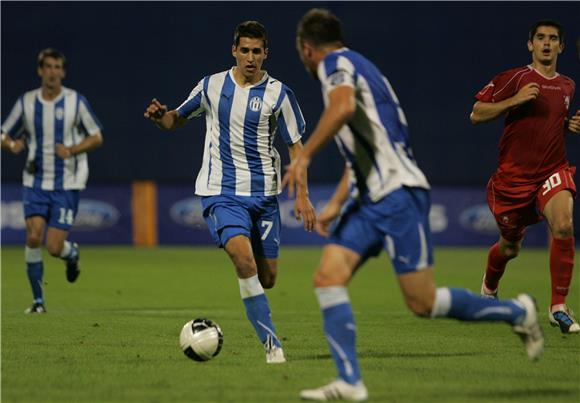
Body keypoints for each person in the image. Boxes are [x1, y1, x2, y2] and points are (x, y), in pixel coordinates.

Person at [286, 9, 544, 401]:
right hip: (371, 198)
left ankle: (518, 312)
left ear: (307, 49)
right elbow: (364, 149)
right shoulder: (361, 66)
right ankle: (350, 382)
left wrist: (303, 157)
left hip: (399, 195)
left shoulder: (335, 65)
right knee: (327, 278)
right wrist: (338, 202)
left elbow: (341, 111)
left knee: (422, 302)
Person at [144, 21, 316, 364]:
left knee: (267, 278)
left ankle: (254, 280)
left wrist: (302, 194)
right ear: (234, 51)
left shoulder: (279, 94)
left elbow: (297, 148)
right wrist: (161, 117)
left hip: (264, 196)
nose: (250, 58)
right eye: (245, 50)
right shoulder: (211, 86)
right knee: (242, 258)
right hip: (220, 191)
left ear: (265, 54)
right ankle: (272, 346)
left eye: (257, 51)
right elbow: (177, 119)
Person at [470, 20, 580, 334]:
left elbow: (548, 125)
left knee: (563, 225)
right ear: (530, 45)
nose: (547, 43)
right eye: (541, 38)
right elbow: (476, 113)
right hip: (513, 179)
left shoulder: (568, 85)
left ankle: (558, 306)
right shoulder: (514, 78)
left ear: (561, 46)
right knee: (510, 247)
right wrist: (512, 101)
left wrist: (568, 127)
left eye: (553, 39)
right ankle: (489, 288)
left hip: (552, 170)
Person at [1, 48, 104, 314]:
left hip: (66, 184)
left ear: (63, 72)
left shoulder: (76, 102)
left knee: (54, 247)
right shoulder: (26, 102)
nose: (52, 72)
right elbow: (3, 133)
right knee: (33, 236)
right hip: (34, 182)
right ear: (40, 70)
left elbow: (96, 136)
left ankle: (71, 255)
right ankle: (38, 302)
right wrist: (10, 144)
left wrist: (71, 150)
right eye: (48, 66)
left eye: (57, 67)